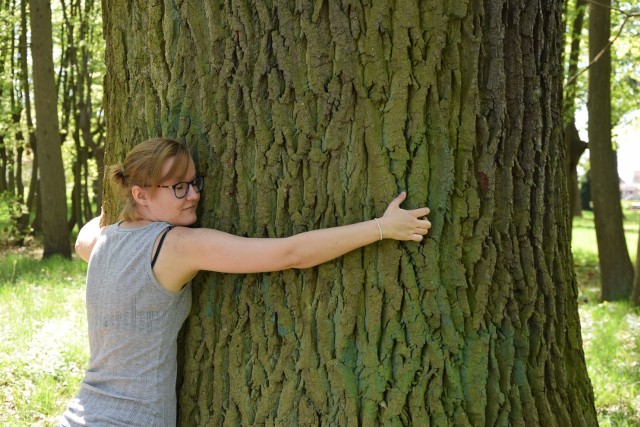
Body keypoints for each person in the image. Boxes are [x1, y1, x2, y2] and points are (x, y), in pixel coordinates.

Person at [58, 137, 431, 426]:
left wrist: (114, 212)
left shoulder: (105, 241)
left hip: (81, 413)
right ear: (140, 194)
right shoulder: (177, 245)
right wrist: (382, 227)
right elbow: (292, 254)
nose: (195, 194)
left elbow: (82, 239)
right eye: (178, 188)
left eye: (194, 182)